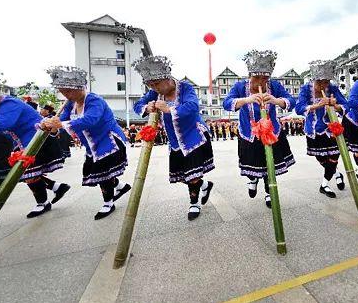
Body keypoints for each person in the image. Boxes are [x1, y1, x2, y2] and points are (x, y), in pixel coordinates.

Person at [0, 75, 70, 218]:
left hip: (36, 139)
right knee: (28, 174)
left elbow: (4, 124)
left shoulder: (9, 103)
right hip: (23, 142)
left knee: (29, 174)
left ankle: (43, 202)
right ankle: (57, 188)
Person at [42, 66, 131, 220]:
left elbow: (90, 120)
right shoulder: (71, 103)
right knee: (96, 172)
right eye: (63, 92)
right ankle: (122, 187)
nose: (66, 95)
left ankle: (108, 203)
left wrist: (61, 124)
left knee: (103, 174)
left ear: (80, 87)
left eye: (68, 91)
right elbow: (62, 120)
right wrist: (51, 125)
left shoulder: (94, 100)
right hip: (92, 145)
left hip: (108, 141)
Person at [133, 55, 215, 220]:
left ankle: (194, 204)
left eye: (156, 84)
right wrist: (146, 107)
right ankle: (205, 185)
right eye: (151, 85)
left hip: (194, 135)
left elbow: (192, 107)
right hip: (175, 141)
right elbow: (136, 105)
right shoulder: (154, 93)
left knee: (192, 176)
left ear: (167, 78)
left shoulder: (185, 87)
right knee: (181, 176)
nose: (154, 88)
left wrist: (169, 108)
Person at [222, 49, 296, 208]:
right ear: (250, 75)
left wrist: (276, 101)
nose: (261, 82)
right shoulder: (241, 86)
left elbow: (291, 100)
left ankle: (269, 192)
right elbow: (227, 103)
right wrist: (247, 99)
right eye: (257, 78)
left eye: (265, 78)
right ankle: (252, 179)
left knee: (269, 163)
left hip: (271, 130)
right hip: (249, 133)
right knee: (252, 165)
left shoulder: (274, 85)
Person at [295, 60, 347, 198]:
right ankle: (336, 174)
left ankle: (324, 185)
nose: (323, 86)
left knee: (334, 156)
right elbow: (299, 108)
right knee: (321, 158)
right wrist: (317, 105)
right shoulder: (306, 89)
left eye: (326, 82)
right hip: (313, 130)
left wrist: (336, 106)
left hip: (332, 130)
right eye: (320, 83)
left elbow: (346, 105)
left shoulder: (333, 89)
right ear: (314, 80)